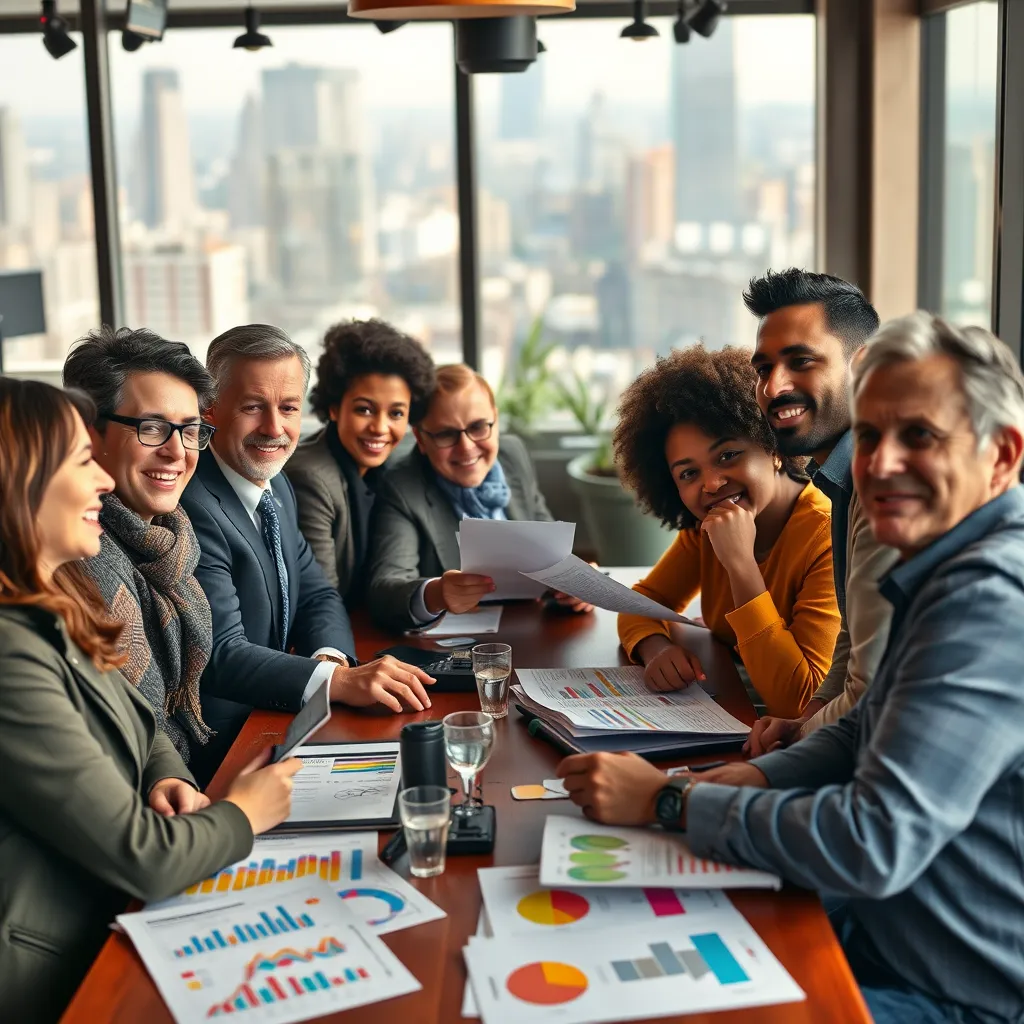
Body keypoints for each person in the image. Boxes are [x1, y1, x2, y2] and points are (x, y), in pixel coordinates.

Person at [558, 314, 1024, 1024]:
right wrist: (757, 776)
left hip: (951, 983)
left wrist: (669, 803)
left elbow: (871, 840)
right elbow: (865, 724)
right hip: (887, 922)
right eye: (871, 436)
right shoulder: (941, 562)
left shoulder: (988, 602)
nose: (880, 464)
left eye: (919, 436)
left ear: (1002, 455)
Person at [0, 378, 302, 1022]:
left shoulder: (54, 601)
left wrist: (166, 775)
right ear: (18, 483)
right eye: (81, 462)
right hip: (63, 970)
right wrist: (245, 813)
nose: (102, 482)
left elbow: (142, 720)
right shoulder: (10, 651)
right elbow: (145, 858)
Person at [180, 325, 435, 782]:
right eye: (253, 407)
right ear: (210, 408)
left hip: (280, 719)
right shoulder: (193, 504)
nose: (274, 428)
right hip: (223, 750)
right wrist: (339, 683)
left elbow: (317, 594)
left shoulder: (276, 483)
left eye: (288, 408)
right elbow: (220, 654)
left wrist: (331, 661)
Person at [615, 345, 840, 718]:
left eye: (728, 455)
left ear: (773, 447)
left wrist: (740, 565)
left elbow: (800, 703)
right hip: (733, 705)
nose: (711, 484)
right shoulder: (707, 528)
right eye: (689, 473)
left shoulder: (828, 536)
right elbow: (643, 601)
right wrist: (657, 649)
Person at [742, 268, 898, 755]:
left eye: (801, 361)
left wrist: (776, 761)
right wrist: (803, 721)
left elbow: (869, 696)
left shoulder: (887, 484)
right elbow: (851, 646)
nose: (773, 388)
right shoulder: (840, 477)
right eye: (763, 369)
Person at [63, 326, 217, 765]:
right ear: (89, 433)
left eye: (190, 431)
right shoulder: (82, 560)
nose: (177, 452)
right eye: (152, 428)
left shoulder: (173, 537)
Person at [365, 363, 593, 632]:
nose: (466, 447)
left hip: (534, 626)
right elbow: (384, 590)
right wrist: (436, 594)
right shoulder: (401, 485)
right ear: (421, 439)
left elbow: (551, 549)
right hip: (455, 644)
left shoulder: (512, 454)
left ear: (495, 420)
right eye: (446, 434)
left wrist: (574, 581)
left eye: (478, 426)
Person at [286, 318, 435, 603]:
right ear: (334, 408)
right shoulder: (311, 477)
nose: (380, 428)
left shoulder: (394, 465)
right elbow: (321, 599)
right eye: (365, 410)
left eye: (396, 414)